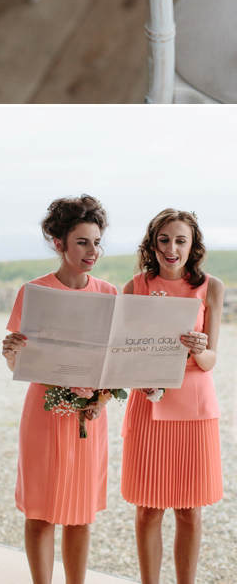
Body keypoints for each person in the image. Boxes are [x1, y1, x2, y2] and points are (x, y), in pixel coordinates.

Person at [2, 195, 116, 584]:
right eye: (82, 241)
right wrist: (10, 353)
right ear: (59, 243)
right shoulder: (33, 291)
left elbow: (113, 362)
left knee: (81, 515)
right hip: (44, 414)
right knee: (40, 513)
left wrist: (100, 399)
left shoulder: (108, 294)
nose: (92, 251)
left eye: (96, 242)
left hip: (90, 415)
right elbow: (20, 364)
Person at [120, 210, 223, 584]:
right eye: (164, 239)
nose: (172, 248)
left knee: (189, 511)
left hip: (195, 407)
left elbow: (211, 360)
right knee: (147, 510)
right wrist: (138, 378)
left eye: (180, 240)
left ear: (193, 245)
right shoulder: (135, 286)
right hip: (149, 406)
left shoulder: (211, 287)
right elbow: (122, 352)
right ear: (152, 243)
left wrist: (198, 349)